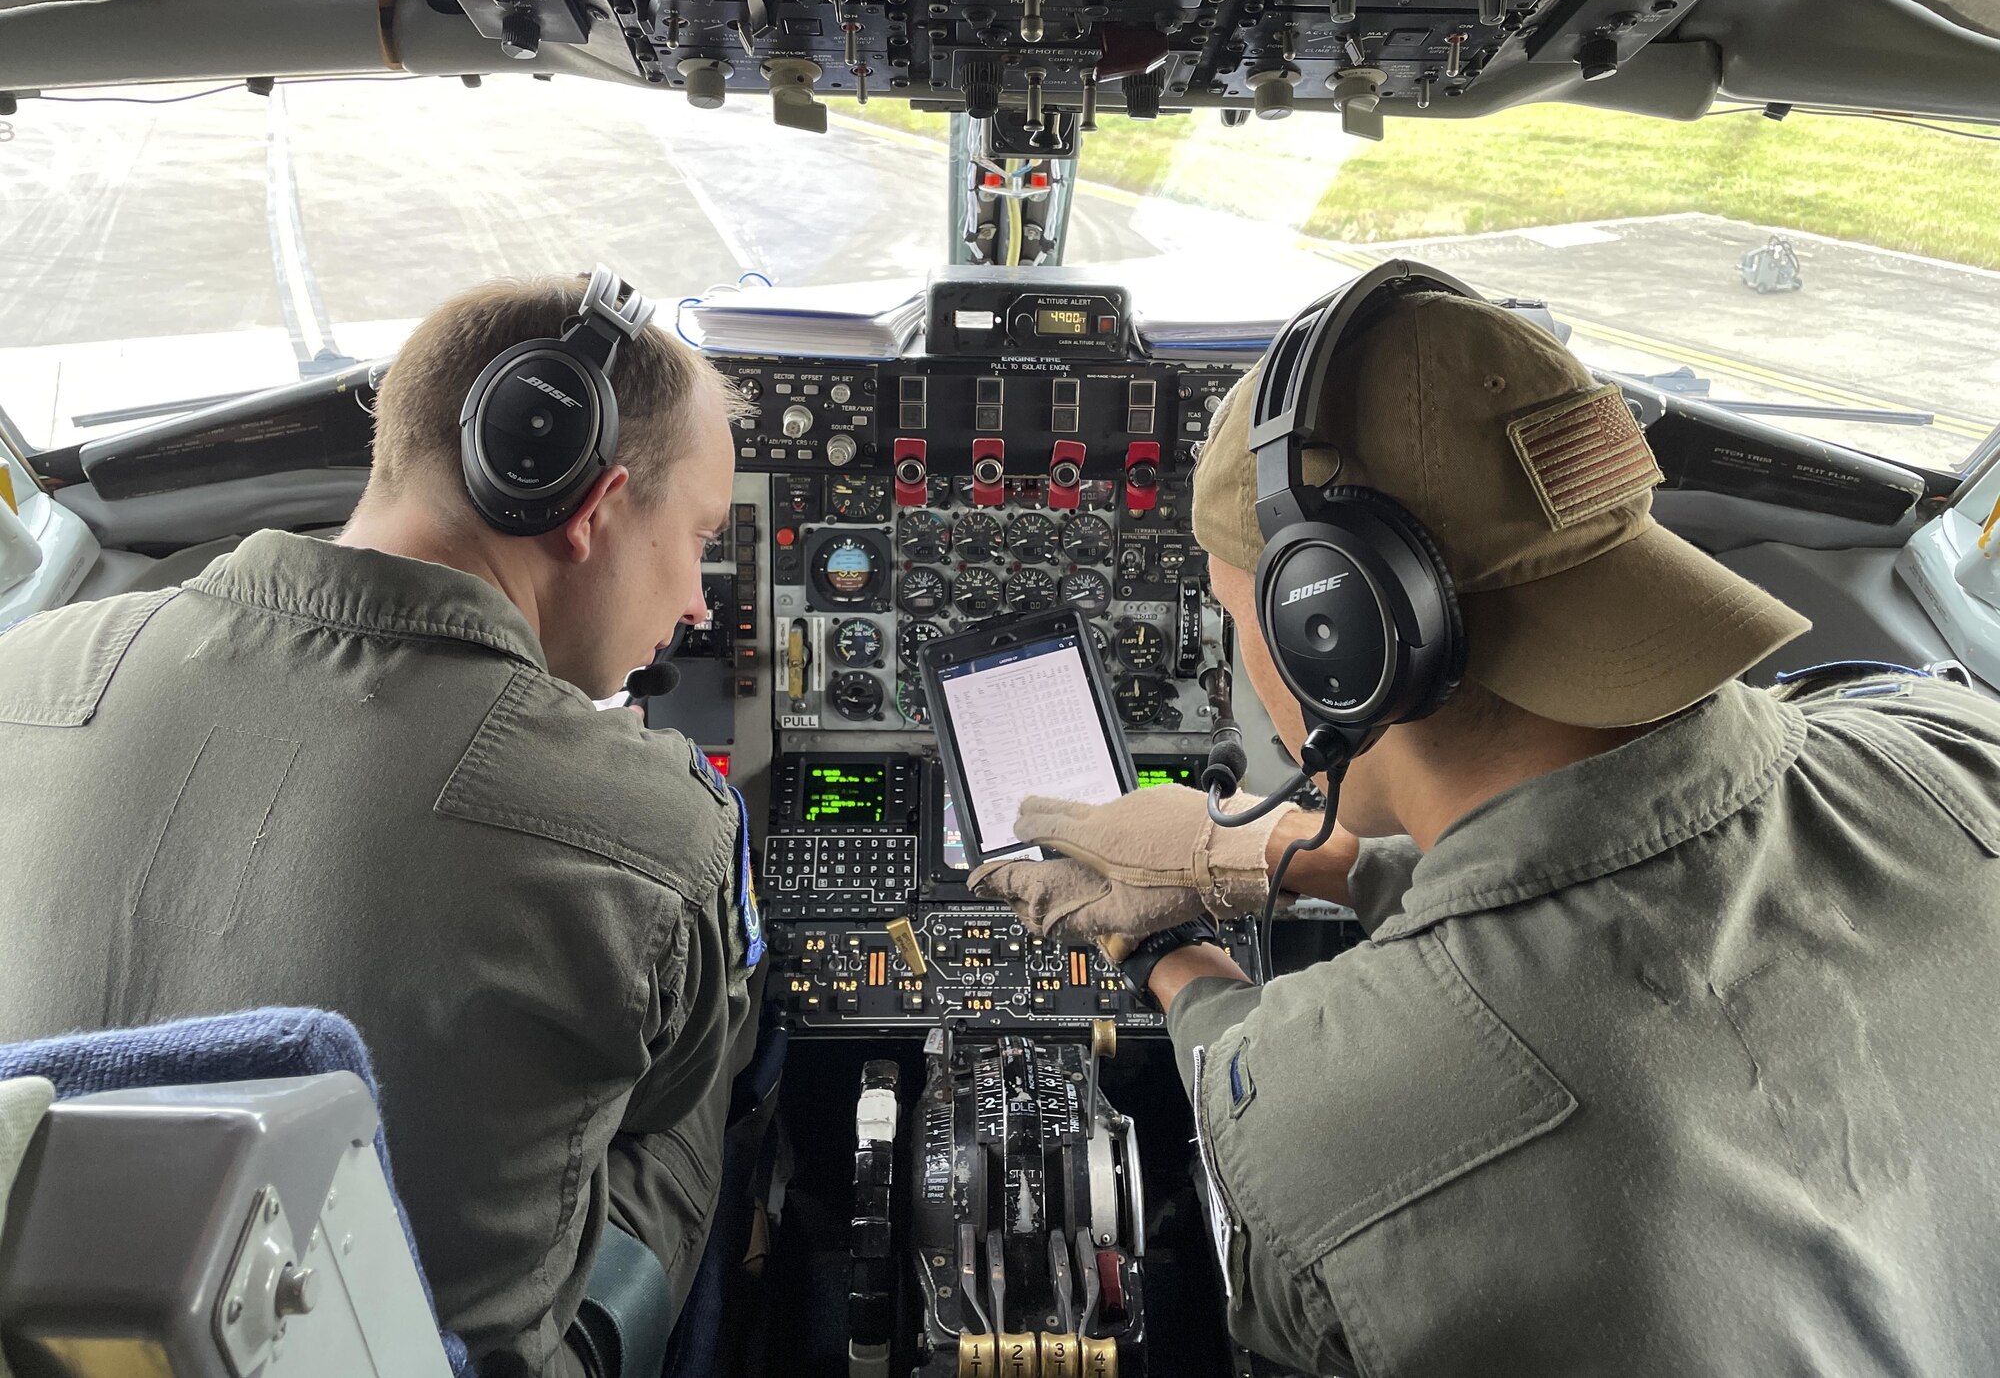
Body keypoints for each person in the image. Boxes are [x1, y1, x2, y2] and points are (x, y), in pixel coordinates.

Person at [972, 285, 2000, 1376]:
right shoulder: (1947, 745)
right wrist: (1263, 856)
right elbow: (1612, 854)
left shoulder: (1342, 1128)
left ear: (1337, 637)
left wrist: (1158, 953)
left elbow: (1269, 1171)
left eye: (1239, 619)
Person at [0, 275, 760, 1376]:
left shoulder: (19, 669)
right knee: (715, 1029)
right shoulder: (651, 826)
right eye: (696, 539)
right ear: (590, 513)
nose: (698, 601)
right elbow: (670, 1090)